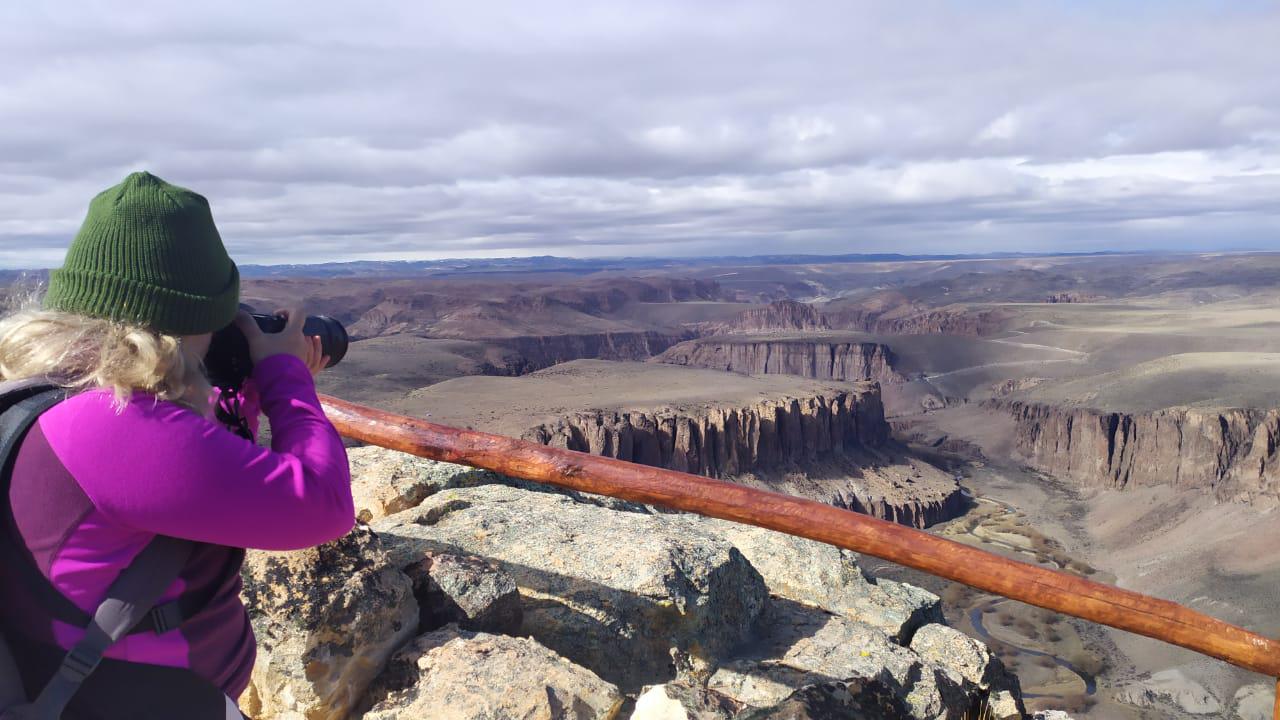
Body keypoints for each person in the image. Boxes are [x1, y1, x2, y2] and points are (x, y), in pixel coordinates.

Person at [0, 171, 355, 718]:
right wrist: (285, 374)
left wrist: (230, 389)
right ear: (190, 318)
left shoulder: (55, 391)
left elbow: (195, 470)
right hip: (132, 700)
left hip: (70, 681)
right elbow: (322, 505)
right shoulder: (117, 423)